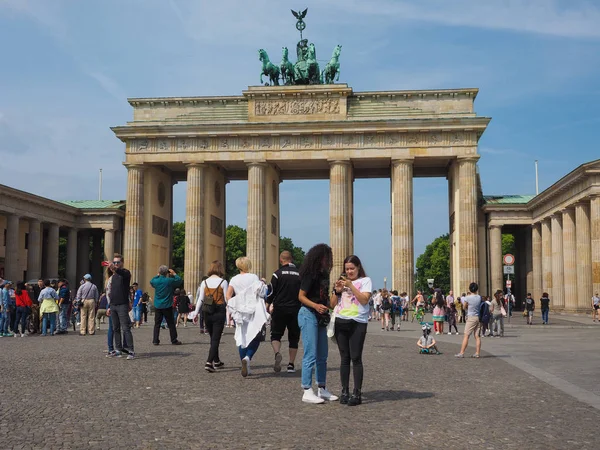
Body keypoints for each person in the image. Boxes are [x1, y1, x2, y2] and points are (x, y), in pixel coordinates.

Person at [297, 244, 338, 404]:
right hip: (308, 314)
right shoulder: (310, 274)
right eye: (327, 257)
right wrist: (315, 305)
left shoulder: (324, 275)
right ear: (319, 257)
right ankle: (306, 389)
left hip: (320, 316)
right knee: (310, 353)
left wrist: (336, 292)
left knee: (323, 355)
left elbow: (328, 301)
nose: (329, 260)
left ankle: (322, 388)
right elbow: (301, 296)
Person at [331, 254, 372, 406]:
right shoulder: (342, 282)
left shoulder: (365, 281)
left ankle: (357, 392)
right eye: (347, 269)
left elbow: (364, 299)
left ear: (358, 267)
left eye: (352, 268)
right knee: (344, 358)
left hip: (358, 322)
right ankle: (344, 391)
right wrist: (337, 290)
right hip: (341, 321)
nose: (349, 272)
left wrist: (351, 285)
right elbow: (332, 304)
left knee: (356, 357)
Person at [226, 257, 269, 378]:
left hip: (240, 311)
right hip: (253, 310)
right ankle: (248, 357)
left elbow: (228, 295)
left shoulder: (234, 279)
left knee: (241, 337)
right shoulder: (254, 277)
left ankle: (245, 364)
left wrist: (235, 304)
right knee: (255, 336)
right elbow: (260, 292)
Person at [266, 251, 301, 374]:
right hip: (296, 309)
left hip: (280, 308)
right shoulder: (299, 274)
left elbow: (271, 292)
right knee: (294, 337)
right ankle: (291, 364)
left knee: (276, 335)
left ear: (281, 260)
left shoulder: (277, 274)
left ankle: (277, 353)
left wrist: (267, 304)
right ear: (291, 259)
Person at [190, 261, 228, 372]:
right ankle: (209, 362)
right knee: (216, 339)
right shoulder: (223, 282)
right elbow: (226, 299)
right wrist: (231, 313)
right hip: (219, 311)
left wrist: (196, 313)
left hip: (207, 311)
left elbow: (201, 299)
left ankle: (217, 361)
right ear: (220, 269)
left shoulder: (204, 282)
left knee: (213, 337)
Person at [107, 254, 135, 359]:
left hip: (122, 305)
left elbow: (121, 272)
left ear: (122, 263)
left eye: (118, 262)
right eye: (114, 262)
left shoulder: (126, 273)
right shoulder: (113, 277)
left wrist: (114, 268)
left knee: (125, 328)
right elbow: (112, 293)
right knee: (115, 328)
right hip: (113, 305)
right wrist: (109, 306)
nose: (116, 264)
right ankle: (118, 349)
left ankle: (131, 350)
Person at [150, 265, 183, 346]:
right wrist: (174, 273)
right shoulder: (169, 281)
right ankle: (174, 340)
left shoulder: (156, 281)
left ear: (160, 272)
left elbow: (151, 281)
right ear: (166, 273)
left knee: (157, 324)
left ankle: (155, 340)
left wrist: (157, 275)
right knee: (171, 323)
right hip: (167, 305)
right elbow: (179, 281)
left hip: (158, 305)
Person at [455, 282, 482, 358]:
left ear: (470, 289)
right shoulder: (479, 297)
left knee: (466, 335)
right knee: (477, 336)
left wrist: (467, 307)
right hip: (478, 317)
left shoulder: (468, 297)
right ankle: (477, 353)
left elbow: (464, 307)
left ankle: (462, 352)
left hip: (471, 317)